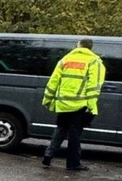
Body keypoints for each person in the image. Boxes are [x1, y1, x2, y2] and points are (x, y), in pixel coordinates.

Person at [42, 37, 106, 171]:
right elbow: (94, 86)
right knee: (74, 134)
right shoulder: (94, 61)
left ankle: (48, 154)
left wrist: (47, 100)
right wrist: (91, 106)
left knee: (60, 129)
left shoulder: (65, 60)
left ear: (78, 46)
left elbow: (53, 81)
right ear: (90, 48)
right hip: (80, 105)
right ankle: (73, 163)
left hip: (63, 103)